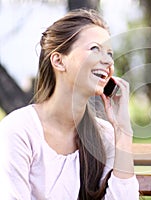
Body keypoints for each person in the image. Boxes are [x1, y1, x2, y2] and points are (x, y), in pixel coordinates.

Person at [0, 9, 139, 199]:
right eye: (95, 49)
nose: (107, 61)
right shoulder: (19, 129)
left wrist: (123, 131)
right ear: (58, 61)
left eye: (110, 53)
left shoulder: (105, 135)